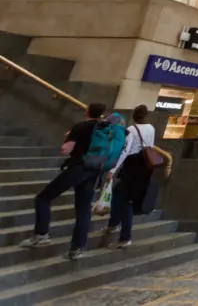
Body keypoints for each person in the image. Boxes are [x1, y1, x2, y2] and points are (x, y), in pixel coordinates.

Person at [21, 102, 121, 259]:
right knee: (83, 209)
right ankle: (77, 248)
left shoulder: (81, 126)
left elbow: (65, 149)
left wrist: (68, 139)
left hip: (77, 168)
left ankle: (41, 234)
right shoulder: (104, 129)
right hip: (94, 171)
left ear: (87, 111)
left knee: (43, 198)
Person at [105, 105, 170, 248]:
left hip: (132, 166)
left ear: (133, 115)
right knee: (119, 194)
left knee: (125, 200)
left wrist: (112, 170)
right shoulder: (151, 128)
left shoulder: (132, 130)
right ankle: (113, 224)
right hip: (145, 167)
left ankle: (125, 237)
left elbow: (125, 151)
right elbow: (150, 146)